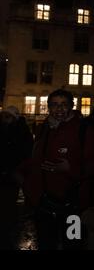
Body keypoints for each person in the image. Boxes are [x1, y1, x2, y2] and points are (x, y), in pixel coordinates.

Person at [16, 89, 94, 250]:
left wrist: (70, 169)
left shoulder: (84, 130)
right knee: (45, 243)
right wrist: (24, 177)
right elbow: (36, 157)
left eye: (64, 104)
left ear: (71, 106)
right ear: (49, 107)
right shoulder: (44, 128)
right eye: (55, 105)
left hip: (74, 205)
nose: (59, 109)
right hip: (45, 204)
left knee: (73, 243)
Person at [0, 106, 33, 249]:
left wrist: (16, 168)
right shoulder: (4, 129)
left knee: (9, 200)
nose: (4, 119)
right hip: (4, 171)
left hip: (13, 172)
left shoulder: (21, 131)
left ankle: (8, 227)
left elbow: (25, 152)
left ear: (14, 118)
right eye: (4, 116)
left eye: (8, 116)